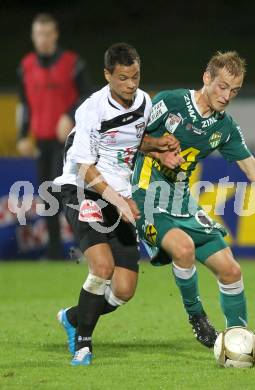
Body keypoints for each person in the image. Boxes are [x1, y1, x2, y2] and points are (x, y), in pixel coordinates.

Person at [132, 51, 255, 348]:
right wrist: (156, 150)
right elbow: (128, 138)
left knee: (231, 270)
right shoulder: (170, 102)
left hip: (182, 200)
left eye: (234, 90)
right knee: (183, 248)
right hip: (145, 195)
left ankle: (238, 341)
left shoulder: (225, 127)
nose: (227, 95)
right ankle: (197, 318)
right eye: (222, 86)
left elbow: (254, 169)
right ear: (206, 79)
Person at [54, 42, 179, 366]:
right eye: (123, 78)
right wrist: (119, 202)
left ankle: (73, 317)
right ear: (107, 75)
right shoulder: (91, 110)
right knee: (102, 267)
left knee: (124, 289)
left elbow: (130, 140)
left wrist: (156, 149)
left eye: (135, 76)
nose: (131, 84)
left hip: (118, 192)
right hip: (83, 188)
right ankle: (83, 344)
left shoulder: (144, 101)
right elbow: (84, 167)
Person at [16, 13, 91, 259]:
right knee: (48, 197)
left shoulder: (72, 64)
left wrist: (69, 114)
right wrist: (23, 134)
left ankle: (88, 249)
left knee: (71, 196)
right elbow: (24, 104)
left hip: (70, 143)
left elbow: (88, 98)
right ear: (33, 36)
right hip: (43, 142)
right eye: (39, 34)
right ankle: (55, 253)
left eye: (48, 34)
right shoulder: (26, 67)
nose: (44, 39)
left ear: (56, 35)